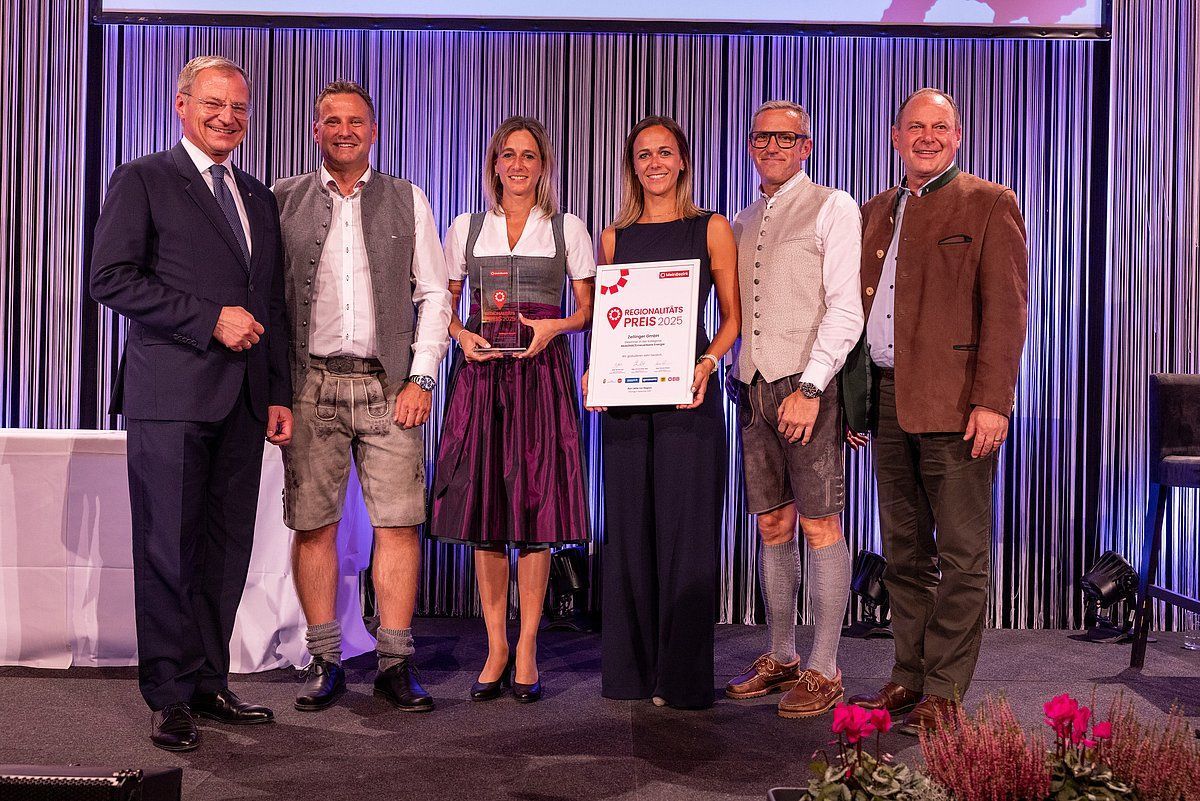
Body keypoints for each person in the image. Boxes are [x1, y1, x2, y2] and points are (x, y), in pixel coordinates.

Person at [90, 55, 292, 751]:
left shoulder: (258, 195)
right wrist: (208, 318)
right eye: (213, 104)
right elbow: (111, 278)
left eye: (238, 107)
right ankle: (168, 694)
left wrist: (277, 392)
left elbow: (272, 304)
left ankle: (209, 682)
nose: (227, 117)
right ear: (181, 105)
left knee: (226, 551)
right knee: (168, 552)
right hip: (169, 397)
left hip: (241, 402)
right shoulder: (143, 178)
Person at [844, 88, 1028, 733]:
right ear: (895, 137)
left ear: (957, 137)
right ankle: (908, 675)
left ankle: (946, 687)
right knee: (902, 554)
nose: (926, 136)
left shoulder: (988, 203)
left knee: (961, 553)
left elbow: (1007, 313)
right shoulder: (873, 212)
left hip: (956, 407)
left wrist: (992, 403)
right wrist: (852, 403)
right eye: (914, 126)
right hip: (887, 400)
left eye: (939, 126)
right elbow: (853, 316)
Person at [272, 81, 452, 713]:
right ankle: (325, 660)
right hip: (309, 384)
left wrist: (422, 377)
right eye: (331, 121)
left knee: (399, 523)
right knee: (312, 523)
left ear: (374, 131)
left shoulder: (408, 199)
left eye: (356, 121)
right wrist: (277, 392)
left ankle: (395, 663)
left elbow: (434, 295)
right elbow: (268, 300)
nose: (343, 130)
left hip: (388, 385)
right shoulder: (281, 199)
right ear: (315, 129)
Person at [430, 116, 594, 704]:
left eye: (529, 155)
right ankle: (495, 644)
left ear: (543, 165)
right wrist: (458, 334)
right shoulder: (466, 227)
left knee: (537, 510)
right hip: (482, 376)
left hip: (540, 375)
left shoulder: (567, 227)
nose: (518, 165)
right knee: (487, 514)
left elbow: (590, 309)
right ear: (494, 164)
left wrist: (557, 328)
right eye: (508, 155)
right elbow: (439, 304)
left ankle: (527, 645)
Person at [585, 115, 740, 710]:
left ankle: (681, 679)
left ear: (682, 161)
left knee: (684, 537)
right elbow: (609, 320)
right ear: (633, 165)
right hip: (625, 403)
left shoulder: (712, 228)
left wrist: (706, 364)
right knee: (627, 532)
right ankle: (629, 674)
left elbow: (730, 319)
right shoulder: (614, 238)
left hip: (687, 398)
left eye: (665, 152)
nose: (654, 162)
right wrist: (596, 366)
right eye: (644, 154)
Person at [722, 101, 864, 718]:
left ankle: (825, 667)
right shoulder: (740, 218)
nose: (773, 146)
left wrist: (810, 389)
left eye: (787, 138)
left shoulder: (834, 206)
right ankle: (781, 656)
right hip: (751, 388)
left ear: (806, 146)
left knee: (819, 526)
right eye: (763, 137)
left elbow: (846, 308)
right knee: (772, 525)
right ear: (751, 146)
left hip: (809, 387)